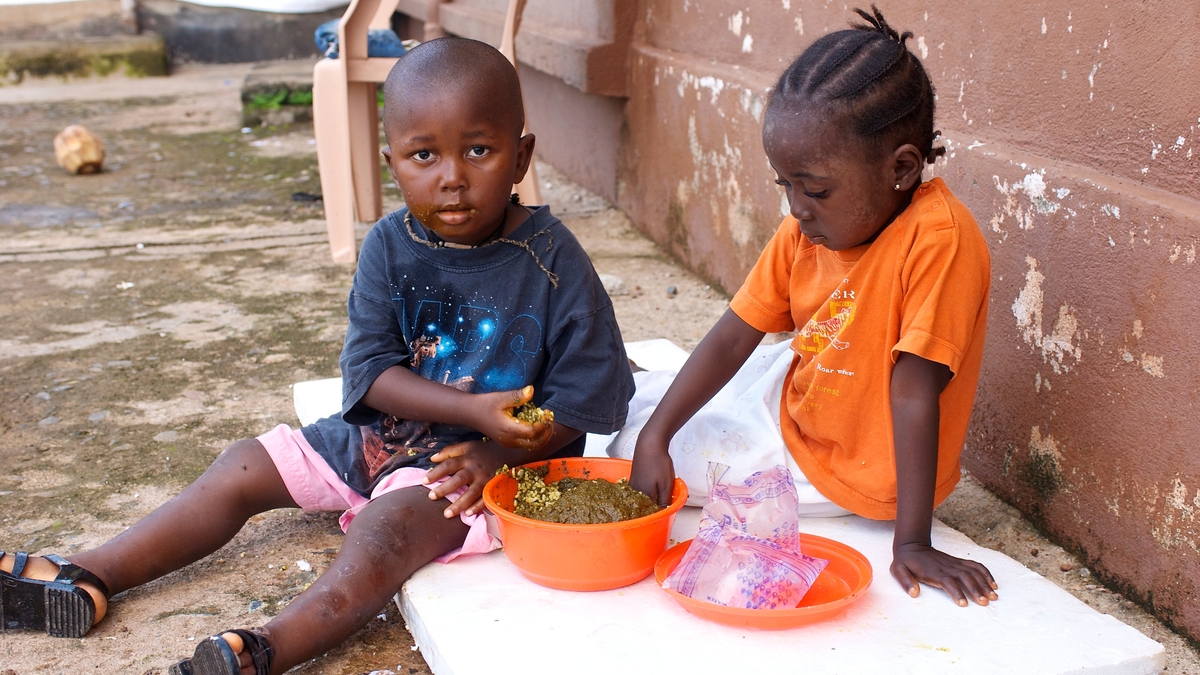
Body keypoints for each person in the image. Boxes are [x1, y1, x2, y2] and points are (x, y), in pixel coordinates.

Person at [0, 37, 634, 675]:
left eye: (478, 149)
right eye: (424, 154)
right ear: (393, 164)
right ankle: (91, 576)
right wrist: (467, 406)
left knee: (381, 536)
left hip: (480, 471)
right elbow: (370, 374)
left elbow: (587, 394)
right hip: (377, 438)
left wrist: (499, 451)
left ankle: (262, 652)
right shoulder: (390, 245)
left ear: (520, 154)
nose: (451, 176)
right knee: (243, 466)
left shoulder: (553, 260)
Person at [627, 6, 998, 608]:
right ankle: (647, 393)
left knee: (617, 442)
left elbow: (914, 390)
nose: (798, 208)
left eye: (815, 189)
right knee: (640, 412)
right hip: (797, 386)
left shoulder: (942, 241)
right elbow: (733, 335)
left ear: (901, 169)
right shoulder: (812, 228)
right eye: (786, 185)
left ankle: (647, 407)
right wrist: (658, 435)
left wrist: (912, 542)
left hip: (846, 465)